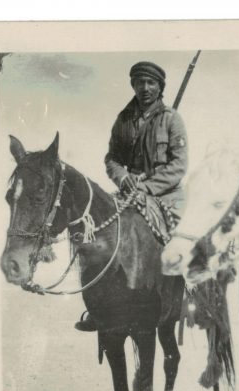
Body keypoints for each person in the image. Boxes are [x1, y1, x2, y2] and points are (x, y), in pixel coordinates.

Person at [75, 61, 188, 332]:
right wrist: (124, 179)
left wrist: (147, 187)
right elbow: (112, 158)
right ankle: (100, 306)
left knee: (184, 239)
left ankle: (190, 295)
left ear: (160, 87)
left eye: (151, 83)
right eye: (140, 82)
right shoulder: (123, 120)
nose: (145, 88)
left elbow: (179, 165)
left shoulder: (171, 119)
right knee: (102, 232)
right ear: (133, 86)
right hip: (130, 192)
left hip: (167, 194)